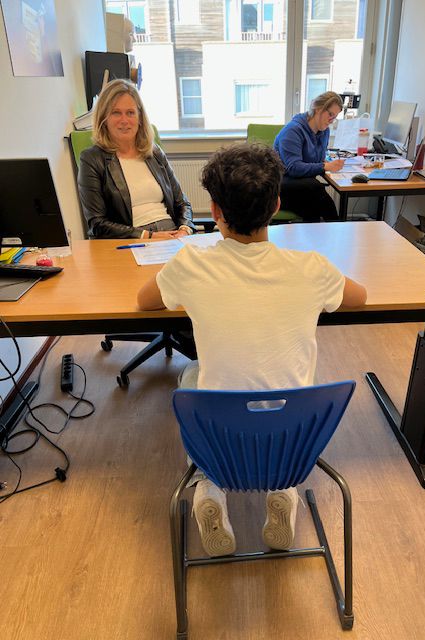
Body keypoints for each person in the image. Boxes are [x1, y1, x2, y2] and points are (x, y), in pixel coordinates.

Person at [137, 144, 367, 557]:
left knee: (191, 375)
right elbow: (360, 297)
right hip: (292, 441)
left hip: (221, 442)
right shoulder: (312, 268)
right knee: (298, 382)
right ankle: (283, 490)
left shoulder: (191, 265)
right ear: (276, 205)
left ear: (215, 210)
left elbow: (143, 301)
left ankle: (209, 489)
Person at [78, 79, 195, 240]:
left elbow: (182, 203)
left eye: (130, 112)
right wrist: (148, 236)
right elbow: (97, 223)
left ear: (140, 118)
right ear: (104, 118)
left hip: (172, 234)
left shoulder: (154, 153)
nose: (124, 120)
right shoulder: (91, 159)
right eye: (116, 112)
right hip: (133, 239)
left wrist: (184, 229)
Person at [273, 91, 345, 222]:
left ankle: (330, 228)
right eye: (330, 114)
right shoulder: (292, 130)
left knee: (313, 200)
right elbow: (294, 168)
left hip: (304, 186)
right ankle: (336, 227)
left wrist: (327, 163)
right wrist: (325, 166)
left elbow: (318, 159)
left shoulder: (324, 131)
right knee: (315, 189)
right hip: (280, 186)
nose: (331, 121)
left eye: (335, 117)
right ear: (318, 109)